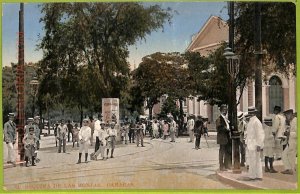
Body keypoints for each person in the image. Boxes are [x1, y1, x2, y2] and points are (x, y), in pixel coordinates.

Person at [244, 107, 265, 181]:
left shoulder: (256, 121)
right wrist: (246, 142)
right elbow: (249, 134)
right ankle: (254, 175)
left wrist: (259, 144)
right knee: (252, 160)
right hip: (250, 144)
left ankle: (256, 176)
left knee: (256, 160)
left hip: (255, 144)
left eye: (251, 113)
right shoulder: (251, 121)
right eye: (250, 113)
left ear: (254, 113)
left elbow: (260, 134)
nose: (250, 114)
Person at [281, 109, 297, 175]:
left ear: (290, 114)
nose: (286, 117)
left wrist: (289, 133)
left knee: (291, 156)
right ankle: (289, 169)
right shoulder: (291, 121)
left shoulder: (296, 121)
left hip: (294, 142)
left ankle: (291, 170)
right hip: (290, 141)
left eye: (286, 115)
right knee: (284, 154)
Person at [216, 105, 231, 171]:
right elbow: (219, 128)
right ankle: (221, 166)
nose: (225, 111)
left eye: (226, 109)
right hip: (222, 137)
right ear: (221, 110)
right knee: (222, 152)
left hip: (226, 137)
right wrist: (227, 129)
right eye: (224, 110)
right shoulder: (219, 119)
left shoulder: (226, 119)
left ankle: (226, 165)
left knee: (227, 152)